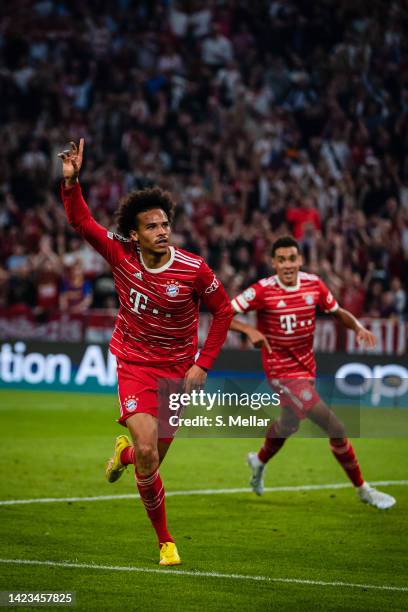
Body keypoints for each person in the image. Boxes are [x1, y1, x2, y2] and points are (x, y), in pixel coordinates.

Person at [58, 140, 233, 565]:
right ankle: (165, 541)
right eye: (152, 226)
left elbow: (224, 311)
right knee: (150, 451)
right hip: (134, 363)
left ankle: (123, 454)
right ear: (135, 234)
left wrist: (201, 364)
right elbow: (82, 222)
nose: (163, 231)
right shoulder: (121, 253)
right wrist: (71, 182)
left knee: (149, 458)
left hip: (177, 373)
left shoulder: (194, 269)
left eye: (165, 224)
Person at [230, 235, 396, 510]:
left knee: (288, 425)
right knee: (336, 427)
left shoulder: (314, 284)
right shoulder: (262, 290)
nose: (287, 265)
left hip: (306, 367)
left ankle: (258, 461)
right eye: (281, 259)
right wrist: (249, 330)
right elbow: (223, 311)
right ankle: (363, 489)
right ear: (273, 263)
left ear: (300, 260)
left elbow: (337, 311)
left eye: (292, 258)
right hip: (281, 372)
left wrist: (357, 327)